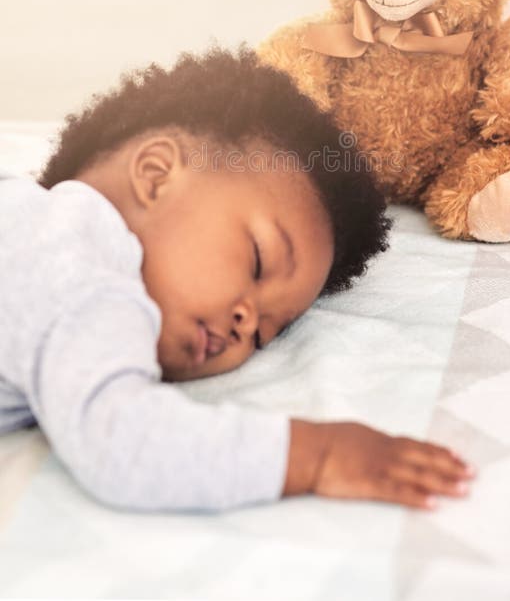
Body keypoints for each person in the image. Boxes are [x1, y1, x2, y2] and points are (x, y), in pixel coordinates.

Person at [0, 45, 476, 513]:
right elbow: (123, 439)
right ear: (156, 174)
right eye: (257, 263)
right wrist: (318, 455)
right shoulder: (81, 271)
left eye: (265, 335)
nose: (245, 324)